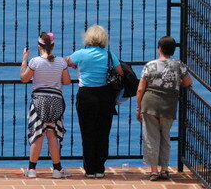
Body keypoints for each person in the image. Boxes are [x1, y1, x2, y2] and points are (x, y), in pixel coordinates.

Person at [66, 25, 124, 178]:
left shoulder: (81, 54)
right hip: (105, 96)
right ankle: (100, 168)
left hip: (86, 95)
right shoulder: (109, 54)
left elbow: (68, 62)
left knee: (88, 132)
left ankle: (89, 169)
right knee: (103, 132)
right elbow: (120, 72)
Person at [135, 36, 193, 180]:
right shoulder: (178, 65)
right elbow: (188, 82)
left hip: (150, 104)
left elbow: (140, 90)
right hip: (168, 105)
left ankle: (153, 170)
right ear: (173, 50)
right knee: (165, 136)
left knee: (151, 137)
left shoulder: (150, 65)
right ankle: (165, 169)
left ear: (159, 48)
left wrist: (138, 108)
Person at [20, 31, 72, 178]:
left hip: (39, 100)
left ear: (39, 46)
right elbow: (67, 81)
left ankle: (31, 169)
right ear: (53, 46)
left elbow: (24, 78)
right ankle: (57, 169)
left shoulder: (35, 62)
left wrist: (25, 59)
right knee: (52, 133)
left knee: (38, 134)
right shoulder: (61, 62)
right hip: (55, 100)